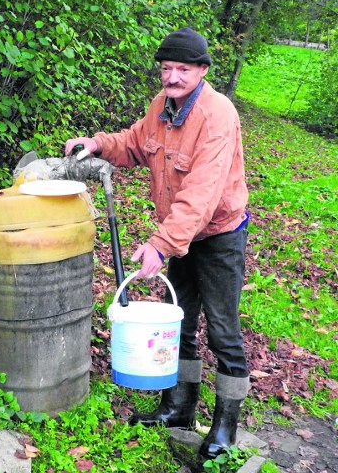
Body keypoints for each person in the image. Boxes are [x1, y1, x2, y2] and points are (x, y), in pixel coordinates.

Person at [64, 27, 250, 460]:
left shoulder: (217, 115)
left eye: (183, 69)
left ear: (202, 70)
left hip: (219, 235)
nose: (172, 77)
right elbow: (134, 143)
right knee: (180, 321)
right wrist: (98, 144)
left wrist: (161, 244)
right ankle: (180, 408)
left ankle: (225, 427)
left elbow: (203, 193)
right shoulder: (161, 108)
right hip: (182, 235)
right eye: (166, 69)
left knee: (223, 331)